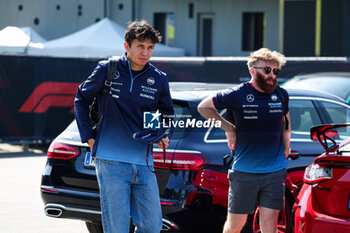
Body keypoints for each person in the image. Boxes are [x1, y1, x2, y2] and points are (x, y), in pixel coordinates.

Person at [74, 20, 174, 233]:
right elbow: (81, 100)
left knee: (151, 227)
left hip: (144, 162)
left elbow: (163, 114)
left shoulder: (159, 79)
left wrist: (159, 134)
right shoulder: (108, 69)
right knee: (116, 228)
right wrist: (90, 139)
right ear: (127, 46)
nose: (145, 52)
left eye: (150, 47)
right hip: (111, 160)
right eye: (140, 46)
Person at [198, 48, 291, 233]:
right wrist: (228, 127)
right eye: (266, 70)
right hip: (244, 172)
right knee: (235, 225)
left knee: (270, 224)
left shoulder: (281, 94)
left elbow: (286, 121)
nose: (272, 75)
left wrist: (286, 149)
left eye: (275, 71)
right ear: (252, 70)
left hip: (274, 171)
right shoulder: (238, 94)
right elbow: (204, 107)